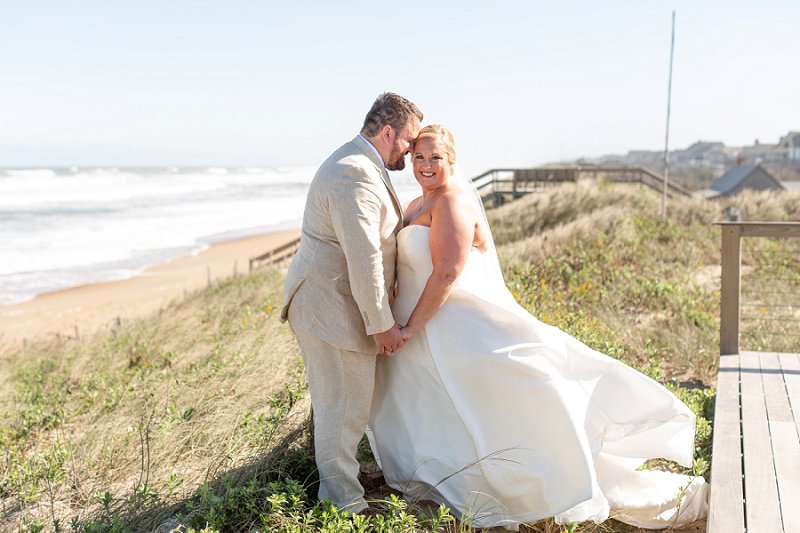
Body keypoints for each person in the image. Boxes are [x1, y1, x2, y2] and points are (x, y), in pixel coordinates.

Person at [368, 125, 708, 530]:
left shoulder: (453, 204)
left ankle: (532, 487)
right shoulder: (412, 206)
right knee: (439, 410)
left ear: (451, 161)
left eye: (435, 157)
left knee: (489, 407)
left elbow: (445, 274)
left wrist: (407, 328)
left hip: (449, 326)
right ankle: (438, 481)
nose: (426, 165)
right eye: (419, 157)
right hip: (420, 332)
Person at [280, 93, 422, 513]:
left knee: (344, 404)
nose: (411, 150)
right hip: (330, 308)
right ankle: (343, 505)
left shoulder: (364, 164)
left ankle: (343, 483)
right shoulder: (353, 173)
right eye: (409, 141)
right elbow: (365, 257)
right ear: (388, 131)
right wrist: (381, 324)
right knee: (340, 409)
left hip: (335, 302)